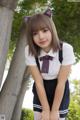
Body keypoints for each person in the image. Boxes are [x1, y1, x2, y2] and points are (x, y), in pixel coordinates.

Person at [24, 9, 75, 120]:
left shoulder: (66, 49)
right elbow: (38, 82)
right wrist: (46, 110)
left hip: (59, 89)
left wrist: (54, 110)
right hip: (41, 89)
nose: (41, 37)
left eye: (45, 30)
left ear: (52, 29)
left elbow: (61, 82)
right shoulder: (29, 51)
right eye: (35, 33)